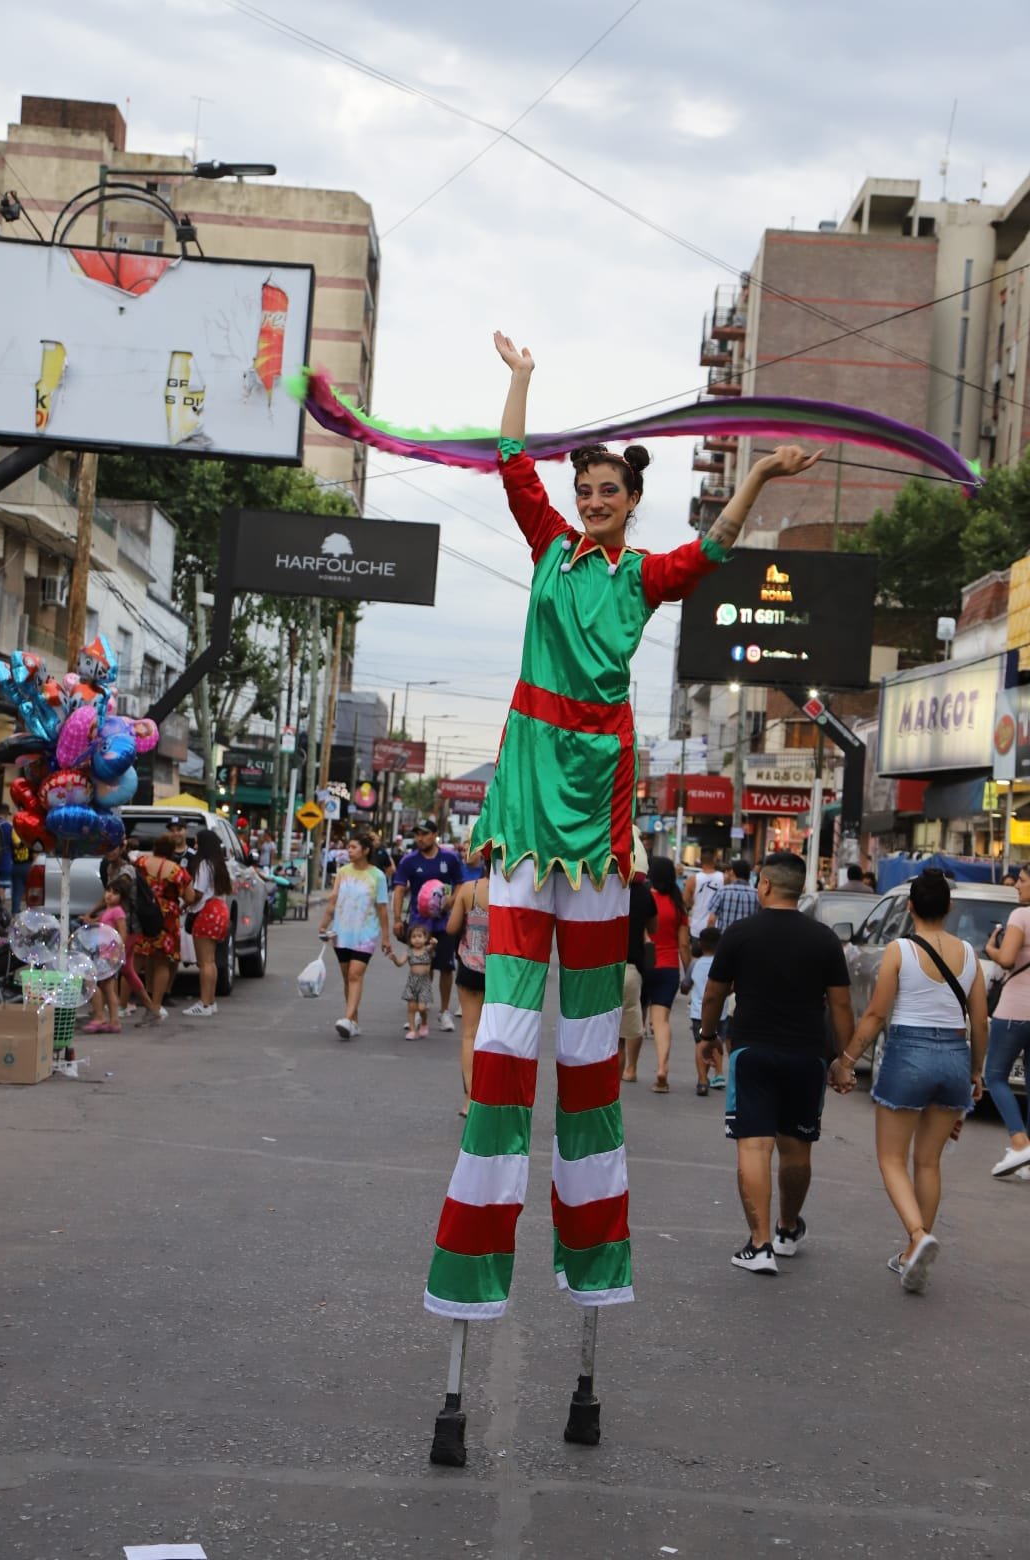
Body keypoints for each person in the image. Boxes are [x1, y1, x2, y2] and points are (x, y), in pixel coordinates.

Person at [423, 328, 822, 1320]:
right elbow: (509, 463)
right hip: (528, 772)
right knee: (515, 1007)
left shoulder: (641, 577)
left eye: (608, 491)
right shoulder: (549, 548)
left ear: (630, 502)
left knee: (587, 1031)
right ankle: (488, 1165)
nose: (593, 501)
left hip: (598, 783)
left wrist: (763, 473)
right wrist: (519, 380)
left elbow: (718, 547)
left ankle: (589, 1219)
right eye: (586, 489)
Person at [699, 850, 855, 1275]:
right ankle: (787, 1230)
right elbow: (841, 1007)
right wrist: (843, 1059)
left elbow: (713, 993)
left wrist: (708, 1036)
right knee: (797, 1147)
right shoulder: (824, 939)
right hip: (809, 1055)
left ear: (764, 884)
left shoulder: (739, 934)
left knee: (754, 1145)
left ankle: (760, 1243)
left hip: (753, 1052)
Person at [840, 868, 986, 1292]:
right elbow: (979, 1020)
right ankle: (910, 1254)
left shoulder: (900, 950)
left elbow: (875, 1015)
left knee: (891, 1159)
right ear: (950, 907)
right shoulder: (970, 954)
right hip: (955, 1058)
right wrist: (976, 1070)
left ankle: (919, 1237)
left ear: (909, 907)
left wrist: (847, 1059)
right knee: (928, 1162)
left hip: (909, 1055)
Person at [319, 830, 391, 1040]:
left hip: (366, 934)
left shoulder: (377, 876)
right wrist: (324, 925)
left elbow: (382, 909)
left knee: (355, 975)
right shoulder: (343, 872)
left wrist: (385, 938)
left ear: (366, 850)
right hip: (341, 933)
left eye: (353, 847)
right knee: (346, 978)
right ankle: (354, 1022)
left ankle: (347, 1018)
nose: (349, 851)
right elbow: (333, 900)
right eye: (348, 847)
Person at [391, 819, 463, 1031]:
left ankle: (444, 1011)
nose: (420, 838)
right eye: (417, 834)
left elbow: (459, 882)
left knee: (446, 968)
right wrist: (396, 919)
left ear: (434, 835)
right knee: (421, 968)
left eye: (424, 834)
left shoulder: (449, 858)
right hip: (419, 925)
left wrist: (453, 900)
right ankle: (420, 1011)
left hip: (444, 923)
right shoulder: (409, 861)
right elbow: (399, 889)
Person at [983, 865, 1030, 1177]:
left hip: (1015, 1010)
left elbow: (1008, 958)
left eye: (1023, 881)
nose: (1018, 886)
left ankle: (1019, 1142)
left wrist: (990, 947)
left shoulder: (1020, 916)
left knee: (995, 1075)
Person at [133, 835, 196, 1022]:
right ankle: (156, 1005)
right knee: (162, 961)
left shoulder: (141, 863)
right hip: (166, 918)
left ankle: (122, 1003)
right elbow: (190, 897)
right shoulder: (177, 871)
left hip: (143, 914)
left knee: (135, 961)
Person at [446, 856, 490, 1114]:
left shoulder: (468, 889)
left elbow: (452, 927)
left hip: (471, 966)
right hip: (502, 971)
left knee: (470, 1034)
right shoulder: (513, 893)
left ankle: (470, 1099)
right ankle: (491, 1098)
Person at [642, 855, 690, 1094]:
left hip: (644, 964)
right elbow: (683, 945)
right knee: (661, 1021)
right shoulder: (678, 905)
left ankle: (629, 1068)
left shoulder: (645, 898)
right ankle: (662, 1067)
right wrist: (688, 973)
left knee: (636, 1020)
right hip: (669, 967)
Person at [90, 837, 151, 1015]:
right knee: (126, 970)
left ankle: (111, 1012)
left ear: (122, 847)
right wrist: (92, 913)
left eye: (113, 848)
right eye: (106, 848)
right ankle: (149, 1008)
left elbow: (116, 892)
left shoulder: (127, 871)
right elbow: (108, 896)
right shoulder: (110, 867)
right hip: (116, 927)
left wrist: (95, 915)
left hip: (128, 927)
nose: (110, 851)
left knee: (109, 971)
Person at [620, 835, 657, 1085]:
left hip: (600, 970)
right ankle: (629, 1069)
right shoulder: (644, 895)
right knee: (628, 1029)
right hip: (631, 969)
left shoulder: (602, 888)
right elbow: (653, 928)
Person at [183, 829, 232, 1017]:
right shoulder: (219, 865)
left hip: (206, 913)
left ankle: (203, 1003)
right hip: (219, 911)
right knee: (210, 961)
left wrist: (184, 902)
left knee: (204, 963)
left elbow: (197, 894)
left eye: (196, 843)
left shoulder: (203, 865)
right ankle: (210, 1002)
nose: (195, 847)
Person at [82, 878, 131, 1034]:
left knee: (91, 982)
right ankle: (114, 1021)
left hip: (108, 955)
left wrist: (117, 950)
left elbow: (123, 932)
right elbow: (101, 924)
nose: (110, 895)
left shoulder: (117, 911)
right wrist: (90, 921)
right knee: (108, 988)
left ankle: (99, 1017)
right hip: (104, 954)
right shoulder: (108, 911)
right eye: (108, 891)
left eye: (115, 893)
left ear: (122, 898)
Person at [689, 926, 726, 1094]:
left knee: (700, 1043)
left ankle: (702, 1081)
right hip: (720, 1012)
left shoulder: (695, 963)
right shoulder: (722, 964)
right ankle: (718, 1074)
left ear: (701, 944)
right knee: (717, 1042)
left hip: (698, 1013)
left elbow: (685, 985)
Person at [387, 924, 438, 1037]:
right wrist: (394, 958)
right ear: (410, 939)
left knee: (422, 1008)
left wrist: (434, 942)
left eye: (420, 936)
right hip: (412, 983)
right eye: (414, 937)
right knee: (411, 1008)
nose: (417, 939)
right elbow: (400, 963)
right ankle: (412, 1030)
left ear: (425, 938)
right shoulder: (409, 952)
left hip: (424, 983)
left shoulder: (427, 950)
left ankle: (424, 1022)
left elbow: (433, 946)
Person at [683, 848, 724, 955]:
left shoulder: (693, 879)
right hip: (717, 927)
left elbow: (685, 901)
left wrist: (694, 902)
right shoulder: (724, 878)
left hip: (697, 927)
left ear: (700, 861)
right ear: (715, 860)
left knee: (697, 960)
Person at [708, 858, 759, 931]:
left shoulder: (722, 891)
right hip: (748, 940)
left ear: (733, 872)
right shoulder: (756, 894)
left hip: (725, 938)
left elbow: (711, 920)